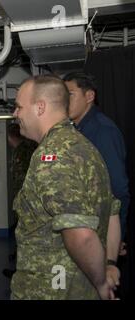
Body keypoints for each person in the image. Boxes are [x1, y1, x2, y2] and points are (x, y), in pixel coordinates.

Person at [11, 75, 120, 299]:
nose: (15, 114)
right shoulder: (85, 147)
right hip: (80, 284)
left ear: (39, 107)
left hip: (54, 288)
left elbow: (81, 234)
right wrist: (108, 264)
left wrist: (101, 283)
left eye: (19, 107)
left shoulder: (52, 156)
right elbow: (112, 214)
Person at [63, 72, 130, 293]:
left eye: (70, 94)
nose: (65, 101)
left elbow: (118, 190)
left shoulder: (102, 131)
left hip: (101, 234)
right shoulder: (75, 130)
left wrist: (116, 238)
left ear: (89, 96)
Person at [3, 123, 37, 279]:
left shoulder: (22, 151)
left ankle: (22, 271)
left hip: (26, 202)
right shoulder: (30, 147)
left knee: (24, 235)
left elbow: (23, 179)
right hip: (29, 201)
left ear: (10, 137)